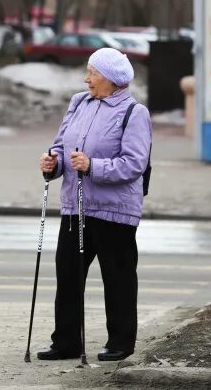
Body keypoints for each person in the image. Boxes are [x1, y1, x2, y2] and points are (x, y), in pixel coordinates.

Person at [36, 47, 152, 362]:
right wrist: (54, 163)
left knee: (118, 278)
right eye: (88, 72)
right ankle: (66, 342)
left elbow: (134, 164)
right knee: (68, 276)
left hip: (115, 212)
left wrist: (92, 166)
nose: (87, 78)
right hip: (76, 208)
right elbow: (61, 146)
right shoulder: (79, 103)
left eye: (93, 73)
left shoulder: (133, 113)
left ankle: (121, 341)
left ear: (112, 79)